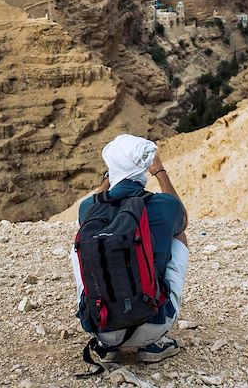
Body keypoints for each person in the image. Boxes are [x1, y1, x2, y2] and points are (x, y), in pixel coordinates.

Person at [70, 134, 189, 363]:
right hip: (154, 323)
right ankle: (153, 344)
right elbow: (182, 219)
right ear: (143, 166)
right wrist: (160, 172)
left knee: (80, 242)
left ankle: (106, 345)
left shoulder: (87, 207)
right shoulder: (164, 206)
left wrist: (108, 178)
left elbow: (96, 203)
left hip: (101, 326)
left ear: (110, 167)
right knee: (178, 235)